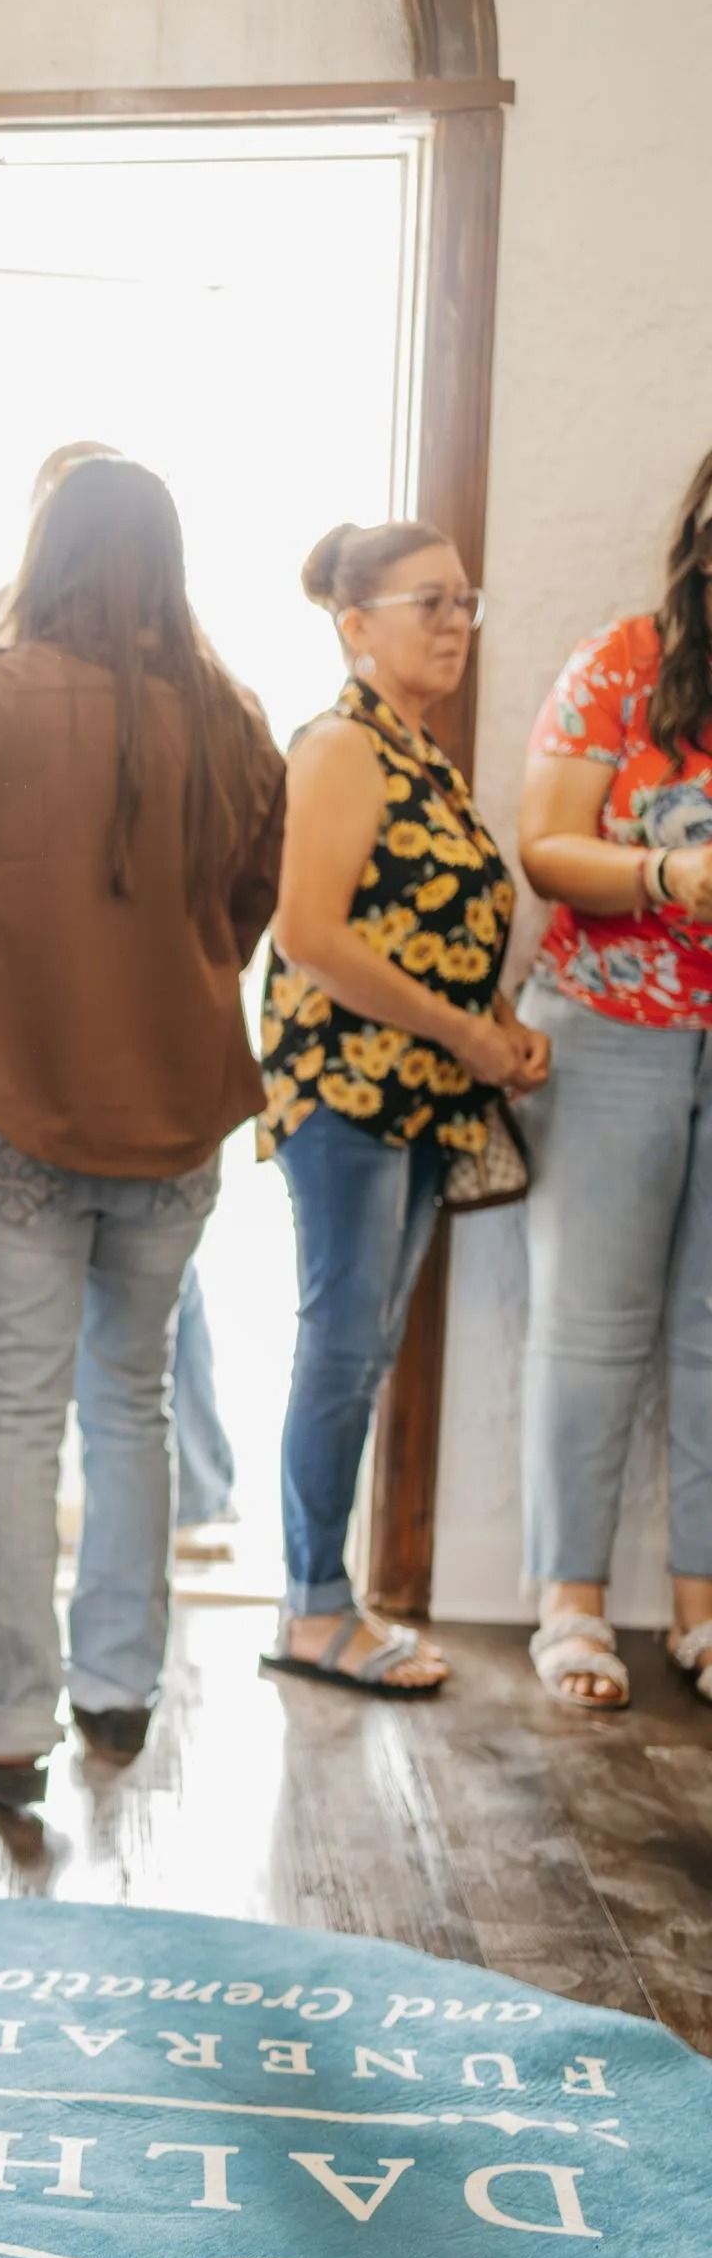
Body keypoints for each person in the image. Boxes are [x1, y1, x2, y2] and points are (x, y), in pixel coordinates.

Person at [0, 457, 285, 1796]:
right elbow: (252, 904)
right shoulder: (234, 714)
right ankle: (119, 1699)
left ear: (47, 555)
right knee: (132, 1403)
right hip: (177, 1115)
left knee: (20, 1417)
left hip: (14, 1105)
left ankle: (12, 1730)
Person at [259, 517, 547, 1699]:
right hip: (348, 1094)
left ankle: (327, 1597)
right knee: (342, 1343)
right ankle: (313, 1606)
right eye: (427, 602)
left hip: (423, 1098)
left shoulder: (420, 752)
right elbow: (311, 936)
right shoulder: (343, 745)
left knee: (363, 1346)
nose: (453, 625)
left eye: (464, 602)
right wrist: (472, 1032)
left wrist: (498, 1028)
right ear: (355, 622)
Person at [513, 447, 712, 1712]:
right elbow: (544, 845)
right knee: (591, 1331)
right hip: (611, 1022)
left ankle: (701, 1607)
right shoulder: (626, 663)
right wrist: (666, 880)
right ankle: (571, 1605)